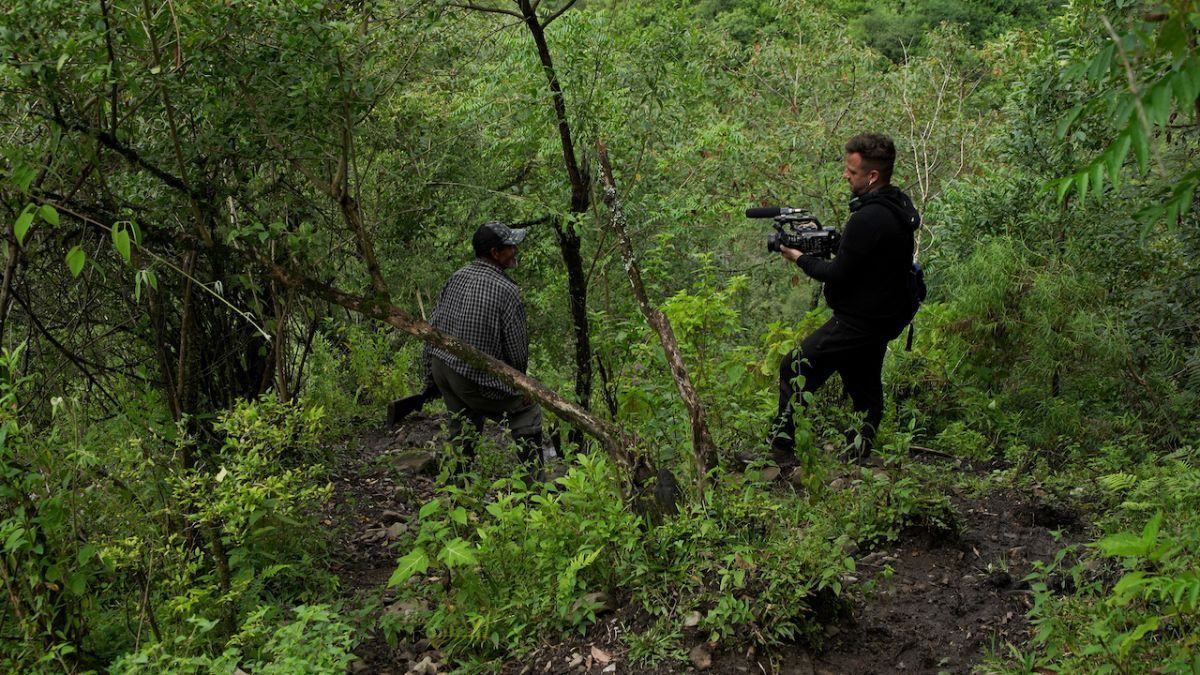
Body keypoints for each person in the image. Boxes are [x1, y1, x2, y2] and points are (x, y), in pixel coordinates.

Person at [769, 133, 921, 464]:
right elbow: (869, 258)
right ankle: (858, 453)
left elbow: (836, 274)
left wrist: (797, 256)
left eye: (851, 172)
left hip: (859, 319)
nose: (845, 176)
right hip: (884, 316)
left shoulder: (867, 218)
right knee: (863, 386)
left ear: (872, 176)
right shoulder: (896, 207)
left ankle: (780, 452)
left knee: (795, 366)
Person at [423, 220, 544, 473]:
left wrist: (429, 377)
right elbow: (517, 351)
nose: (516, 251)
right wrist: (521, 387)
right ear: (495, 253)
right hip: (469, 374)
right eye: (511, 246)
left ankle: (461, 490)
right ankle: (536, 493)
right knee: (527, 409)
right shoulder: (506, 290)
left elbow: (432, 328)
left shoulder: (457, 276)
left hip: (442, 367)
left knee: (462, 427)